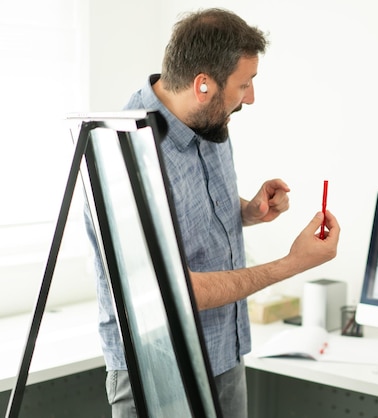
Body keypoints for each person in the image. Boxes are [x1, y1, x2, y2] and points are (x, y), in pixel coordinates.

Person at [88, 9, 340, 418]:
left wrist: (248, 211)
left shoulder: (207, 118)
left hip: (225, 351)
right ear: (203, 84)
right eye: (245, 84)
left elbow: (180, 212)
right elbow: (175, 292)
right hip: (162, 372)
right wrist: (293, 264)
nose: (251, 97)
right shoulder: (124, 155)